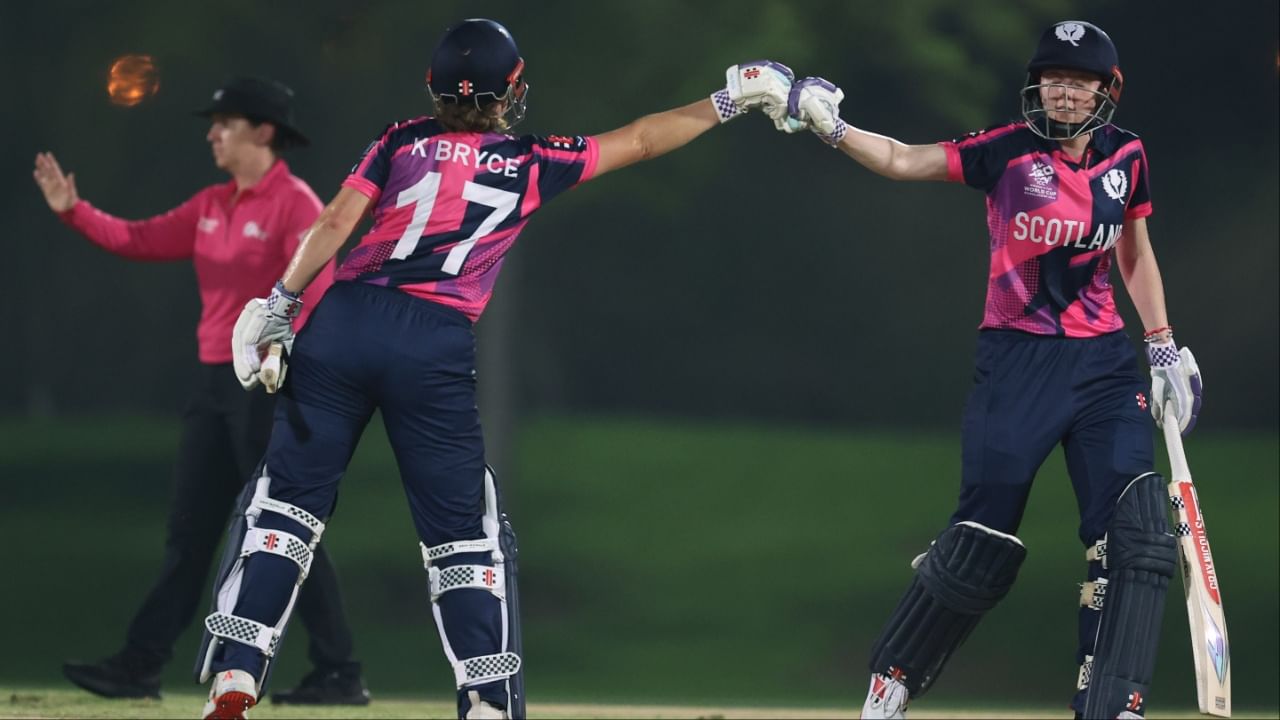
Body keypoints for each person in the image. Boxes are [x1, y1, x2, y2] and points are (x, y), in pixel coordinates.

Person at [194, 18, 796, 720]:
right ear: (512, 88)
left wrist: (280, 301)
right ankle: (485, 698)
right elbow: (641, 138)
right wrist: (727, 101)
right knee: (462, 533)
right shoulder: (533, 159)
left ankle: (237, 672)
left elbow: (335, 222)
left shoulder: (400, 140)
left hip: (347, 323)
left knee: (284, 504)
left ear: (432, 85)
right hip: (435, 343)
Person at [776, 20, 1203, 719]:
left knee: (1136, 533)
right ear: (1036, 85)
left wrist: (1160, 345)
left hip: (1103, 365)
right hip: (1017, 359)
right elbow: (903, 159)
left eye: (1078, 81)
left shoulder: (1127, 155)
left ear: (1107, 89)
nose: (1063, 94)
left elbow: (1135, 251)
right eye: (1052, 79)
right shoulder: (1006, 152)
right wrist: (832, 127)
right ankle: (897, 673)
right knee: (983, 533)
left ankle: (1113, 702)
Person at [33, 76, 370, 706]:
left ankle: (339, 670)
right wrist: (70, 210)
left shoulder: (294, 204)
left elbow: (319, 287)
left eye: (226, 122)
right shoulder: (214, 204)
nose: (212, 133)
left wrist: (284, 343)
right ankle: (140, 664)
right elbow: (137, 238)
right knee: (189, 532)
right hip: (214, 386)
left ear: (263, 132)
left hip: (267, 386)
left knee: (281, 530)